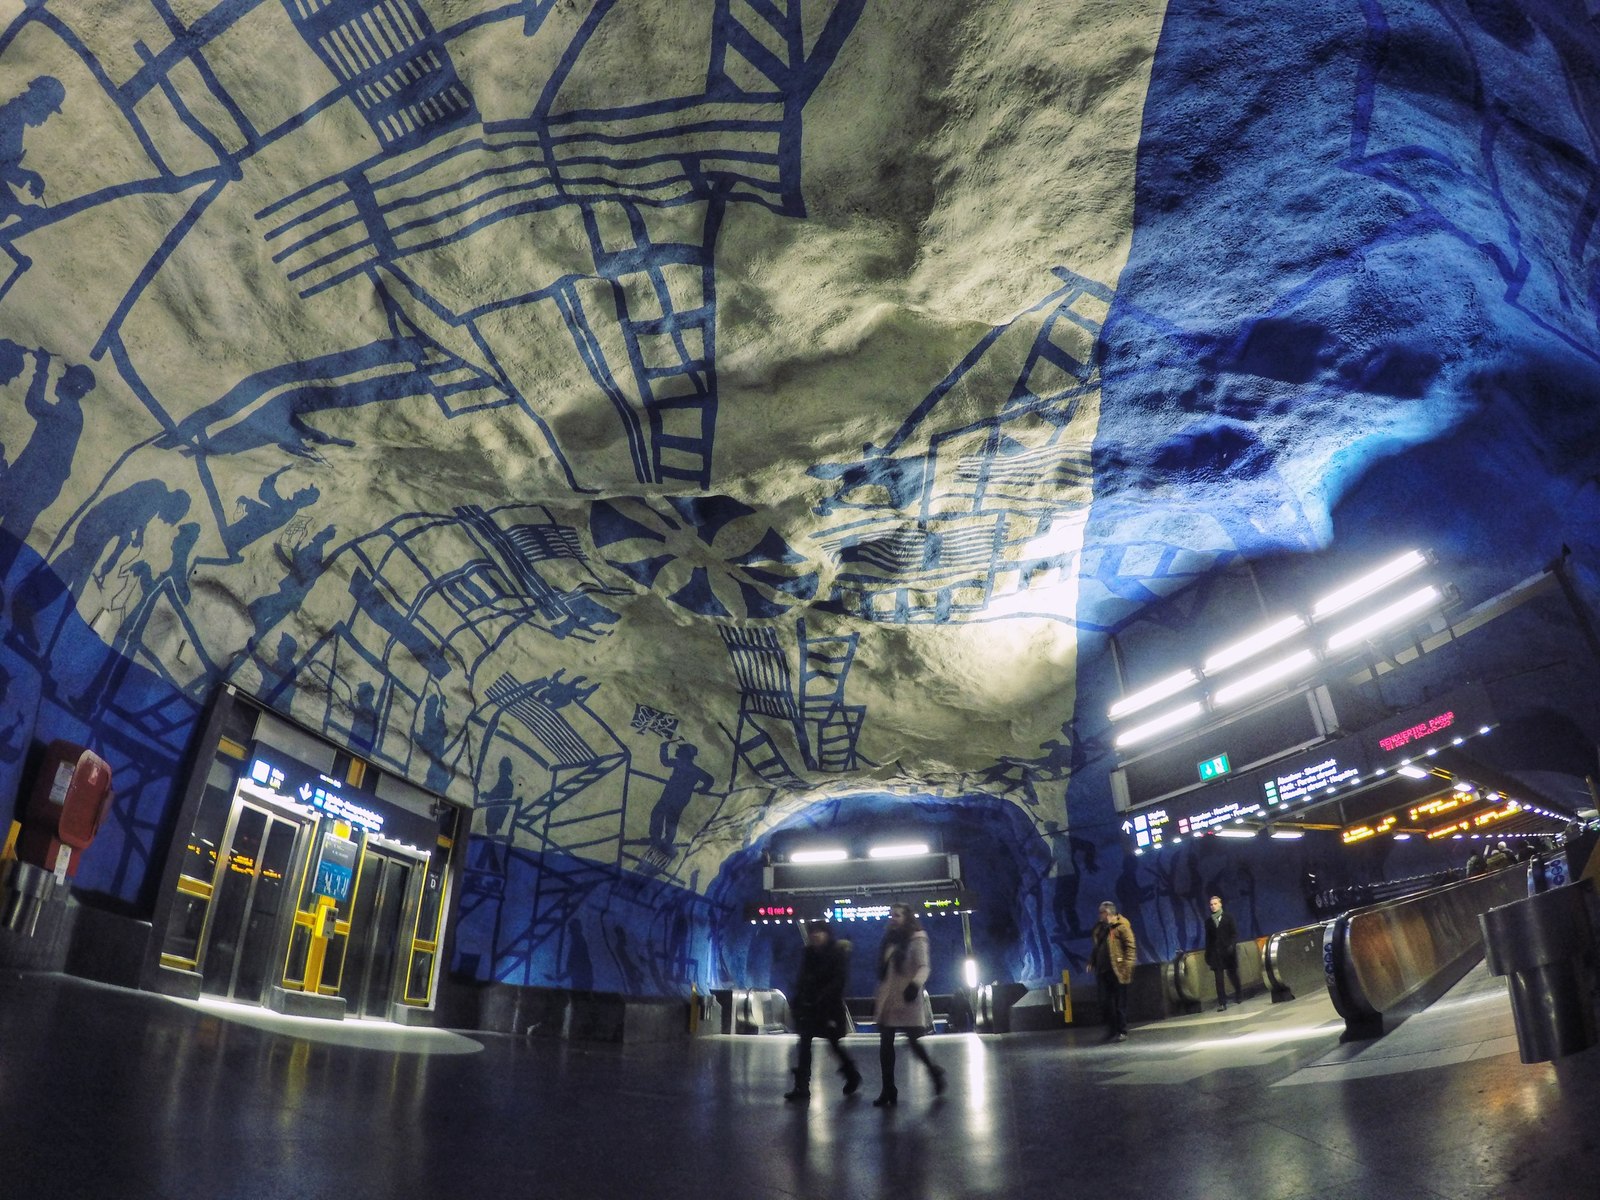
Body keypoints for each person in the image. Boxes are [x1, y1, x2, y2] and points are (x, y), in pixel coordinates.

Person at [871, 903, 945, 1106]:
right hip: (888, 999)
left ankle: (934, 1071)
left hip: (906, 998)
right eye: (891, 915)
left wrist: (914, 986)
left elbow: (924, 967)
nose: (893, 918)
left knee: (913, 1042)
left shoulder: (917, 939)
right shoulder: (889, 940)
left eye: (897, 915)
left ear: (907, 917)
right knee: (885, 1044)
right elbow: (885, 971)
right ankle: (888, 1089)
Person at [784, 921, 862, 1102]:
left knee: (834, 1044)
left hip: (829, 1008)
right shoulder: (809, 953)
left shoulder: (836, 953)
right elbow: (802, 979)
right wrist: (799, 1001)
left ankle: (851, 1074)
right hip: (810, 1008)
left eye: (819, 932)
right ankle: (802, 1086)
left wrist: (823, 997)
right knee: (804, 1044)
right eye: (813, 933)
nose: (815, 936)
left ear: (827, 934)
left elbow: (838, 981)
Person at [1091, 900, 1136, 1042]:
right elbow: (1098, 947)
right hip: (1103, 972)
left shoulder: (1121, 926)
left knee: (1119, 1003)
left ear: (1107, 913)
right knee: (1104, 1002)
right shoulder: (1100, 928)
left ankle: (1122, 1030)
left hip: (1117, 971)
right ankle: (1111, 1029)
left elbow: (1130, 947)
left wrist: (1127, 966)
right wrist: (1092, 961)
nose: (1100, 915)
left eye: (1101, 912)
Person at [1204, 894, 1242, 1011]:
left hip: (1228, 952)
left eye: (1215, 904)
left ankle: (1239, 994)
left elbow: (1234, 934)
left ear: (1220, 904)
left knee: (1232, 974)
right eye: (1211, 904)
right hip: (1216, 953)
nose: (1213, 906)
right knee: (1218, 979)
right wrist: (1208, 954)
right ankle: (1222, 1003)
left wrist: (1231, 946)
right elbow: (1208, 939)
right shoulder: (1208, 922)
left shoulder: (1228, 918)